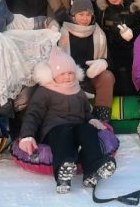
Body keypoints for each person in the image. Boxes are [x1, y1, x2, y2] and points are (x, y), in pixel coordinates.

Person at [18, 48, 117, 193]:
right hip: (55, 129)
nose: (68, 77)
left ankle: (93, 169)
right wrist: (27, 135)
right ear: (53, 75)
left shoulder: (77, 90)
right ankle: (63, 170)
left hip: (77, 126)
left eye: (70, 73)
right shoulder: (45, 91)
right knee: (63, 134)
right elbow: (33, 115)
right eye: (62, 74)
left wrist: (91, 120)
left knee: (88, 131)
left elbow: (85, 112)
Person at [58, 0, 115, 123]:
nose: (85, 18)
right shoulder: (62, 34)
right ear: (73, 15)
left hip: (91, 78)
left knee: (107, 76)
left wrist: (103, 63)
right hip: (68, 78)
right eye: (81, 14)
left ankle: (102, 119)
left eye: (88, 15)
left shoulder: (99, 34)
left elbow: (109, 60)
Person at [95, 0, 140, 96]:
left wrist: (131, 33)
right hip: (112, 50)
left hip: (132, 49)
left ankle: (134, 96)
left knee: (131, 74)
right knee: (116, 75)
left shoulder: (134, 6)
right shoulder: (103, 9)